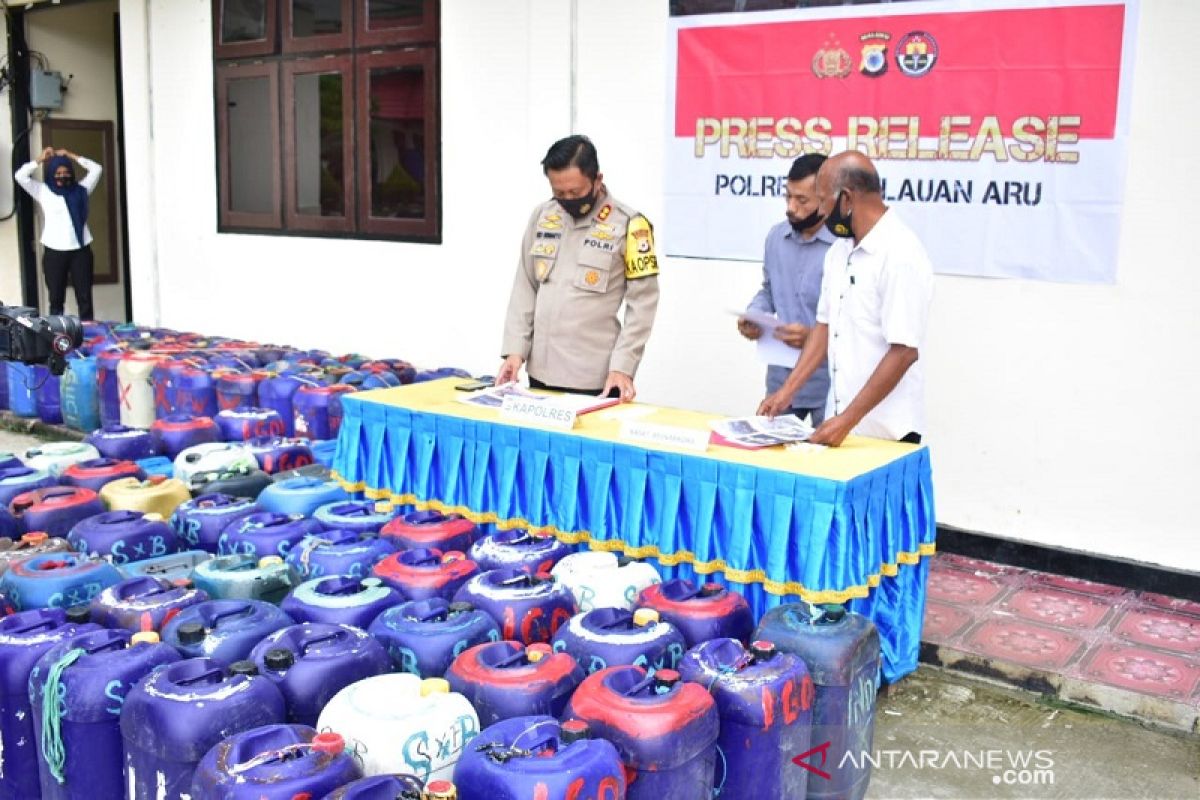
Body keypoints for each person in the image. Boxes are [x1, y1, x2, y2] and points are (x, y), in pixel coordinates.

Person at [758, 151, 934, 446]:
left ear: (847, 199)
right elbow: (824, 326)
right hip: (840, 425)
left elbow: (904, 352)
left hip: (886, 433)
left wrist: (848, 419)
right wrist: (786, 393)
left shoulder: (901, 254)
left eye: (824, 200)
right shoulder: (839, 251)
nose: (822, 213)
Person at [497, 135, 659, 401]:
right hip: (540, 373)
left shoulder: (630, 225)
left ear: (597, 180)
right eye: (559, 193)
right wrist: (515, 351)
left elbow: (643, 305)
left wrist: (623, 367)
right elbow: (525, 286)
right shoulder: (543, 216)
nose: (567, 199)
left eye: (575, 192)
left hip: (594, 378)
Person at [738, 153, 833, 426]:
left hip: (828, 388)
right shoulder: (776, 237)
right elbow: (769, 290)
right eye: (787, 197)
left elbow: (852, 323)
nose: (791, 207)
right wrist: (754, 316)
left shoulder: (843, 248)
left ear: (827, 199)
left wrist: (812, 338)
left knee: (824, 466)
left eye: (802, 200)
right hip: (779, 381)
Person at [14, 146, 103, 321]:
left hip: (81, 249)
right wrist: (40, 159)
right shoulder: (42, 191)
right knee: (56, 299)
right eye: (58, 172)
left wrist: (71, 154)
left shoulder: (82, 190)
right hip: (54, 251)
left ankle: (88, 334)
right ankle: (57, 336)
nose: (62, 176)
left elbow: (96, 169)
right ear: (52, 173)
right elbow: (20, 176)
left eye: (66, 172)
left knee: (84, 298)